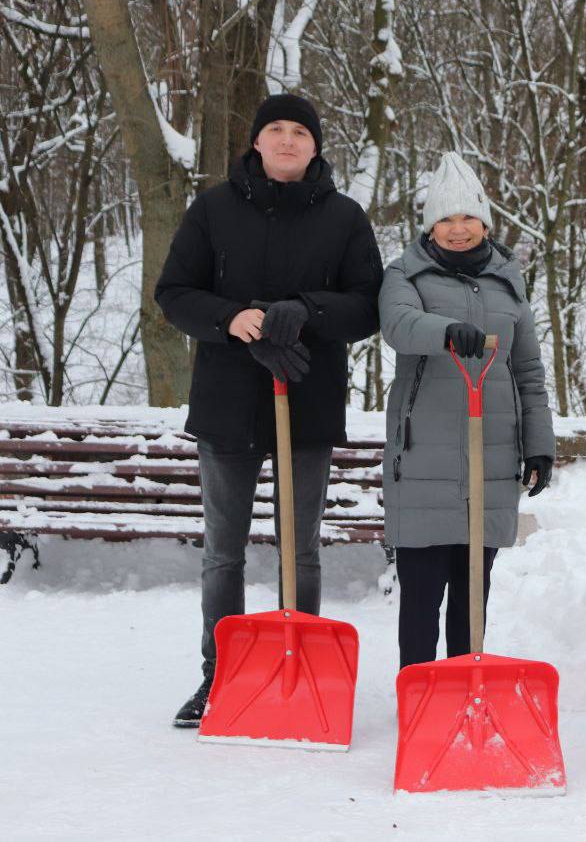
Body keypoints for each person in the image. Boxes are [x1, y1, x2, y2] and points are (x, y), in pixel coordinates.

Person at [156, 94, 383, 726]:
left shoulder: (343, 218)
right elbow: (173, 293)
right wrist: (233, 318)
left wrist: (305, 311)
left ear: (315, 147)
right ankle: (218, 675)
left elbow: (367, 303)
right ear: (256, 141)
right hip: (228, 399)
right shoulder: (213, 209)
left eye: (299, 132)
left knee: (300, 546)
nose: (287, 140)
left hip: (306, 397)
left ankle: (299, 666)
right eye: (275, 130)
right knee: (223, 550)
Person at [379, 152, 554, 668]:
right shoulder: (404, 274)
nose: (458, 229)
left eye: (468, 218)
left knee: (473, 591)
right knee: (421, 594)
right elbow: (398, 326)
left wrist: (540, 444)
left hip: (492, 458)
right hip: (423, 461)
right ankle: (417, 691)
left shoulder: (508, 282)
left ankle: (463, 690)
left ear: (485, 221)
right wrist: (447, 332)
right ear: (431, 225)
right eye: (446, 219)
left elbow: (528, 371)